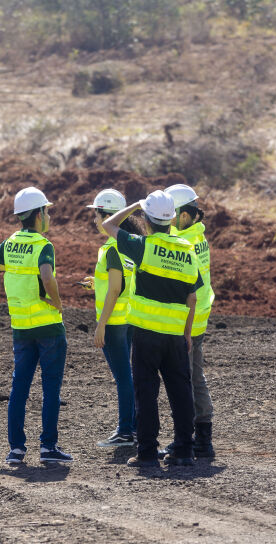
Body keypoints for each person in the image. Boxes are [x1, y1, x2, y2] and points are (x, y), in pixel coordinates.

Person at [101, 190, 202, 467]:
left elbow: (107, 225)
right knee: (181, 393)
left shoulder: (142, 245)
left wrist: (134, 204)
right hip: (175, 335)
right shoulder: (186, 250)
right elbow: (192, 297)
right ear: (171, 219)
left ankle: (147, 451)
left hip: (146, 334)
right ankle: (184, 449)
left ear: (145, 217)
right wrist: (187, 333)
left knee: (146, 393)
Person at [0, 186, 73, 465]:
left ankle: (16, 450)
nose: (49, 216)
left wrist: (13, 269)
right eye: (46, 211)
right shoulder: (43, 245)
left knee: (19, 388)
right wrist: (57, 301)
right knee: (51, 389)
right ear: (37, 215)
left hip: (21, 327)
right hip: (48, 326)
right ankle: (48, 448)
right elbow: (47, 277)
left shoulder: (10, 244)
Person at [80, 189, 139, 447]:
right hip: (128, 319)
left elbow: (115, 288)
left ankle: (126, 431)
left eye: (97, 215)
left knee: (123, 377)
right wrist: (97, 283)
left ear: (106, 216)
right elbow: (119, 282)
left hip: (114, 322)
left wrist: (101, 324)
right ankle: (133, 427)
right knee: (128, 375)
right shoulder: (128, 243)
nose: (94, 221)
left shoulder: (110, 249)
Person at [165, 183, 216, 459]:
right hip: (199, 317)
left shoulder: (187, 244)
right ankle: (201, 438)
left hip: (189, 320)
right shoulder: (198, 237)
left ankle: (197, 439)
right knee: (194, 377)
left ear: (184, 216)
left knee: (189, 380)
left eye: (170, 213)